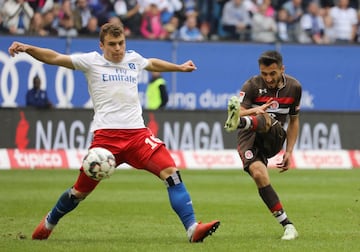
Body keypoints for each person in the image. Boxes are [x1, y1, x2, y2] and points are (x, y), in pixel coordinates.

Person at [8, 22, 220, 242]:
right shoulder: (91, 61)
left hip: (138, 136)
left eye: (121, 43)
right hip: (106, 140)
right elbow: (54, 57)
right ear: (102, 45)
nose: (118, 48)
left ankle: (192, 229)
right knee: (79, 193)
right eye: (112, 44)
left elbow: (151, 63)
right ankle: (50, 221)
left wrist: (179, 67)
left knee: (172, 174)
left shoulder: (133, 59)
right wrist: (27, 48)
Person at [224, 50, 301, 240]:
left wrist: (289, 151)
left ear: (282, 69)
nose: (268, 78)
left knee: (265, 117)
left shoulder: (294, 87)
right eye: (264, 73)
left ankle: (242, 123)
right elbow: (239, 111)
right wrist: (253, 110)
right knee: (259, 174)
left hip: (274, 135)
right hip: (248, 137)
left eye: (272, 73)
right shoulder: (251, 85)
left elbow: (294, 121)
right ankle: (287, 225)